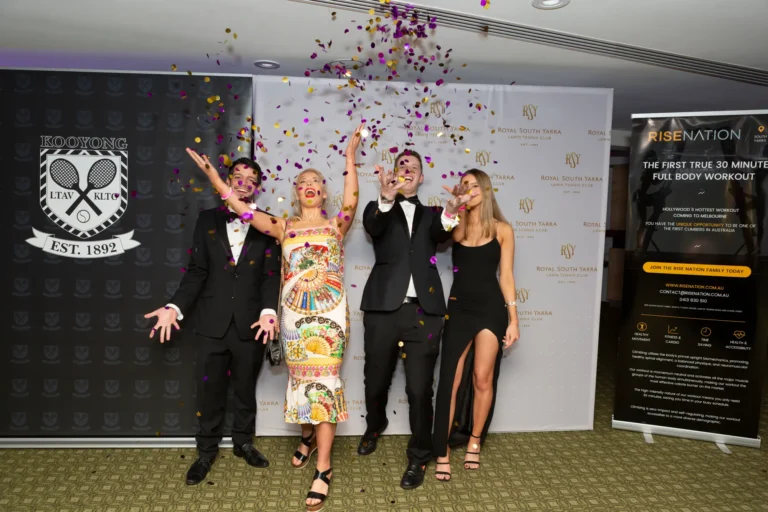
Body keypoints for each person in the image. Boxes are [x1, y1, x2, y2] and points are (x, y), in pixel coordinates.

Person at [189, 123, 365, 512]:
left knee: (325, 383)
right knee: (302, 384)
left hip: (330, 317)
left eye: (317, 181)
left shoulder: (337, 224)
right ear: (295, 191)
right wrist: (217, 179)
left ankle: (323, 468)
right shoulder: (282, 228)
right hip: (294, 319)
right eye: (303, 181)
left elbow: (353, 196)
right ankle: (306, 437)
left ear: (324, 190)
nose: (310, 185)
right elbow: (242, 209)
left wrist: (350, 159)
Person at [144, 157, 281, 485]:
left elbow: (271, 275)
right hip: (211, 324)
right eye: (238, 176)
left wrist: (268, 311)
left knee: (245, 390)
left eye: (251, 179)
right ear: (229, 180)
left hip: (251, 323)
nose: (244, 182)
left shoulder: (268, 224)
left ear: (257, 186)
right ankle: (205, 453)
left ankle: (243, 442)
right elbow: (197, 272)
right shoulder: (206, 220)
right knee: (210, 392)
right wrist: (174, 307)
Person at [358, 149, 472, 490]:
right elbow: (372, 224)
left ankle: (420, 454)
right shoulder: (379, 207)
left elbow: (441, 234)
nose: (407, 169)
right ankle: (374, 425)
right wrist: (386, 197)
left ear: (421, 178)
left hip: (425, 311)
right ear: (393, 174)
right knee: (375, 379)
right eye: (401, 165)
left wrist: (452, 212)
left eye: (414, 167)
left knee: (421, 388)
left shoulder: (434, 214)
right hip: (382, 309)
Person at [431, 169, 520, 482]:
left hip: (491, 309)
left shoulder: (503, 230)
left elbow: (506, 277)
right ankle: (441, 449)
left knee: (483, 378)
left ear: (485, 189)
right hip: (459, 309)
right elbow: (446, 231)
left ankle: (474, 441)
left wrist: (514, 319)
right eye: (463, 184)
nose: (468, 188)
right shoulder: (459, 226)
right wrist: (455, 206)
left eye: (473, 184)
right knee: (450, 383)